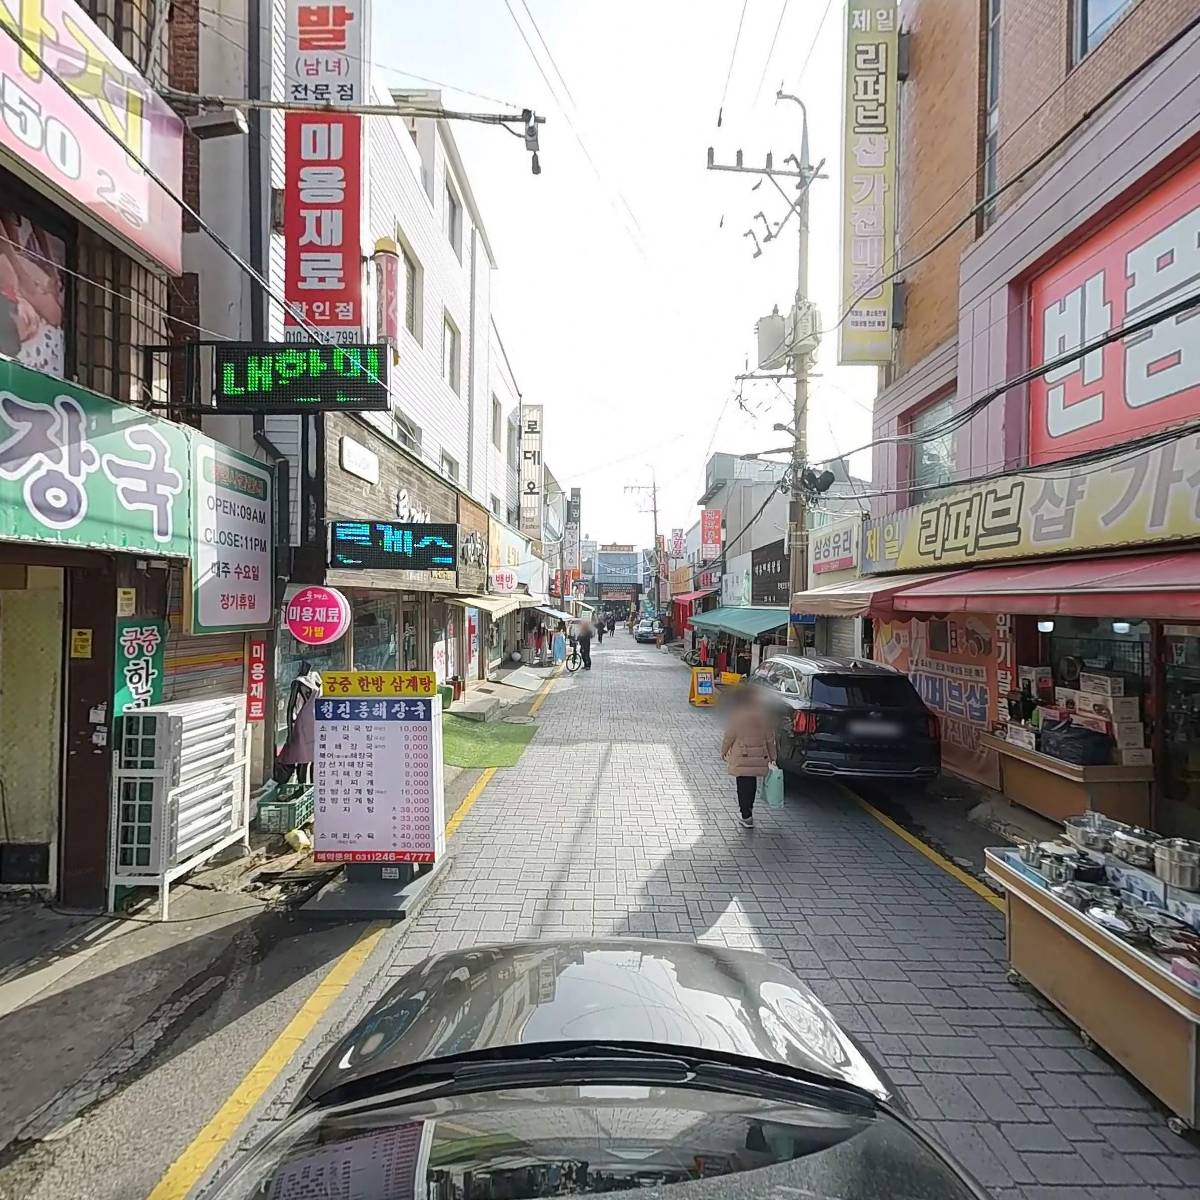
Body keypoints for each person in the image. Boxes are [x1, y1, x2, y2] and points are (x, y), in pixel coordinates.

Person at [720, 687, 776, 829]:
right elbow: (770, 738)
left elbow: (729, 736)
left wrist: (724, 750)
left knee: (742, 785)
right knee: (751, 784)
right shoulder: (764, 715)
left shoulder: (738, 714)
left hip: (742, 756)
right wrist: (773, 757)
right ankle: (749, 811)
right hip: (758, 756)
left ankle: (746, 816)